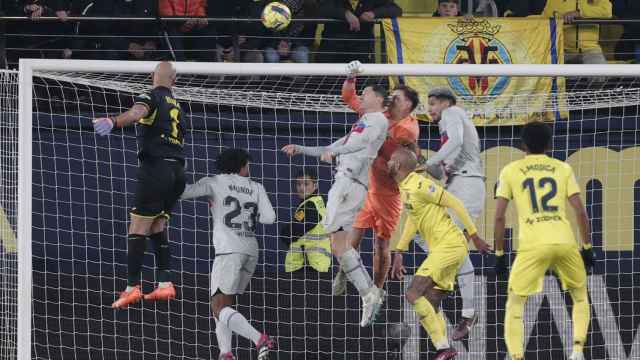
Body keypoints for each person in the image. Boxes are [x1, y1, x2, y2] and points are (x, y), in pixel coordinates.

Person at [281, 65, 389, 327]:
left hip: (349, 185)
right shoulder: (363, 122)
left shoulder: (378, 120)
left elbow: (356, 146)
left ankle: (369, 292)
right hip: (349, 185)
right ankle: (370, 292)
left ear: (379, 99)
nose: (361, 96)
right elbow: (335, 146)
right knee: (341, 245)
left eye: (366, 93)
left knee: (337, 243)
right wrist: (302, 149)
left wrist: (337, 153)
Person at [494, 121, 594, 360]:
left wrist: (499, 254)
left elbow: (499, 216)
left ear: (523, 145)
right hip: (564, 240)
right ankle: (577, 351)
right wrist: (587, 247)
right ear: (550, 144)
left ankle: (517, 356)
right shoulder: (562, 168)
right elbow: (581, 212)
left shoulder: (510, 170)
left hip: (533, 244)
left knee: (515, 304)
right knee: (580, 297)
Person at [93, 62, 186, 309]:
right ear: (174, 81)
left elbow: (136, 114)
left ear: (151, 77)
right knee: (158, 224)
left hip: (156, 168)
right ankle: (165, 283)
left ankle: (132, 287)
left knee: (137, 225)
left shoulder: (150, 95)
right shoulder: (178, 105)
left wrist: (114, 121)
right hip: (178, 172)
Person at [332, 61, 420, 310]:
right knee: (353, 236)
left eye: (398, 98)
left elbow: (407, 149)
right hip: (367, 185)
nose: (392, 99)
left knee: (381, 245)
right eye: (391, 95)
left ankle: (377, 293)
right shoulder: (376, 114)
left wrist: (402, 159)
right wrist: (351, 75)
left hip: (390, 193)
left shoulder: (409, 127)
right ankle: (343, 274)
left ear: (408, 107)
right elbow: (348, 96)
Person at [388, 148, 490, 360]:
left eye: (391, 159)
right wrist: (399, 251)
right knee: (430, 301)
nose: (388, 162)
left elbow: (455, 203)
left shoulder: (419, 184)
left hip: (450, 245)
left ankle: (444, 348)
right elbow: (413, 219)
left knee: (413, 293)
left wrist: (475, 235)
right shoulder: (406, 188)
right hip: (445, 248)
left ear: (398, 165)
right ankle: (444, 349)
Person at [402, 87, 485, 340]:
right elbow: (440, 172)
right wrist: (421, 157)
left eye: (434, 103)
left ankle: (461, 304)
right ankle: (462, 302)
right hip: (458, 183)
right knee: (424, 234)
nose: (430, 108)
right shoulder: (447, 128)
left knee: (448, 245)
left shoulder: (453, 113)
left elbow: (456, 143)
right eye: (429, 104)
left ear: (447, 102)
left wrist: (429, 162)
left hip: (467, 185)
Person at [181, 148, 276, 360]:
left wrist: (176, 171)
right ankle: (226, 353)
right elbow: (269, 218)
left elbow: (184, 192)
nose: (249, 169)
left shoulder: (214, 182)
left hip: (228, 250)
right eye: (247, 165)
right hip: (251, 250)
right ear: (241, 166)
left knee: (217, 306)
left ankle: (259, 338)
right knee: (224, 305)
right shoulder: (256, 186)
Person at [281, 168, 330, 273]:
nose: (301, 188)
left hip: (307, 268)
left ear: (315, 185)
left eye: (306, 184)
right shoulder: (320, 201)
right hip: (320, 264)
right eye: (298, 184)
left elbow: (290, 232)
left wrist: (284, 233)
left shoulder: (310, 206)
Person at [540, 0, 612, 64]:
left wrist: (579, 13)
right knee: (545, 71)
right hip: (562, 50)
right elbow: (545, 18)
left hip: (590, 50)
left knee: (600, 74)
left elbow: (607, 12)